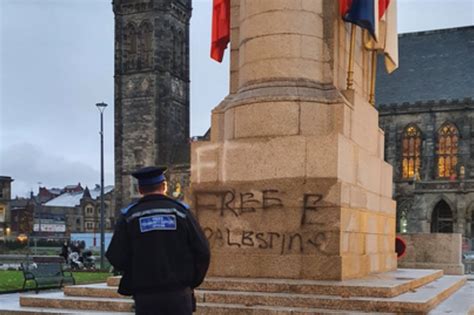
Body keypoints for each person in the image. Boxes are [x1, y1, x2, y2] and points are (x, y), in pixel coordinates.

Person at [106, 166, 210, 315]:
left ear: (141, 190)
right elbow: (203, 251)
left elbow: (116, 256)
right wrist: (191, 281)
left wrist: (137, 270)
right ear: (164, 186)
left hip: (146, 296)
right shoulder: (181, 212)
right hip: (179, 294)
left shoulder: (130, 217)